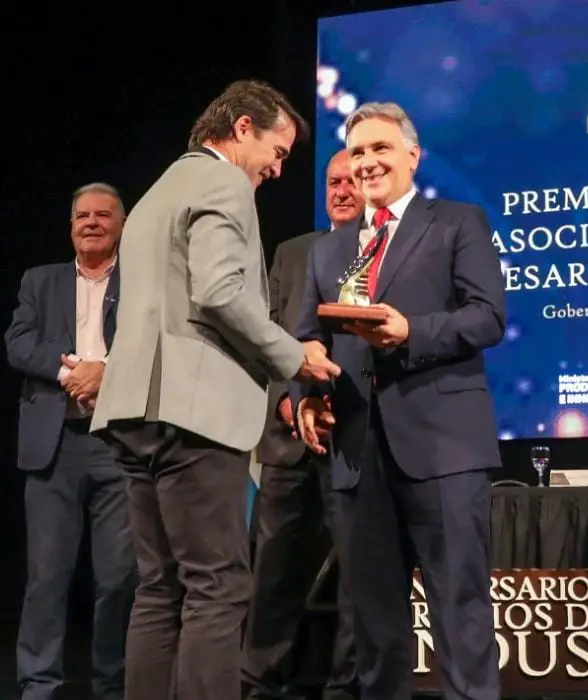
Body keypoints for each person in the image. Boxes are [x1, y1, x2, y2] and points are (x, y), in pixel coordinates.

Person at [89, 79, 342, 700]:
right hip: (193, 413)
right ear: (242, 128)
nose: (277, 169)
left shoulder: (156, 192)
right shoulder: (224, 182)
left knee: (160, 588)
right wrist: (295, 355)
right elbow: (220, 291)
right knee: (218, 585)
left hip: (134, 412)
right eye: (277, 152)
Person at [292, 101, 505, 700]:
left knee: (459, 610)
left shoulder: (457, 222)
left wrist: (412, 332)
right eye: (357, 151)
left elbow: (487, 317)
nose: (367, 162)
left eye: (380, 148)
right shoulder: (329, 250)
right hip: (357, 454)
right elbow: (304, 338)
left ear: (413, 155)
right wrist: (305, 396)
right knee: (374, 624)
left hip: (444, 448)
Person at [4, 183, 136, 700]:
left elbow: (157, 344)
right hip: (54, 445)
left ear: (121, 225)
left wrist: (107, 373)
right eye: (82, 216)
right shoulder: (40, 280)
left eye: (103, 215)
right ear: (70, 226)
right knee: (47, 577)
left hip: (118, 442)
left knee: (119, 578)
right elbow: (18, 342)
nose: (92, 223)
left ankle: (112, 684)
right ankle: (38, 684)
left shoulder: (141, 282)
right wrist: (69, 374)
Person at [243, 149, 364, 700]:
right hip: (288, 438)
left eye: (352, 181)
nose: (341, 190)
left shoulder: (390, 250)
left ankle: (345, 689)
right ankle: (257, 684)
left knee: (358, 577)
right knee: (272, 576)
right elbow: (265, 338)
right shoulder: (292, 252)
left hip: (353, 437)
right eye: (333, 181)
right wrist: (288, 406)